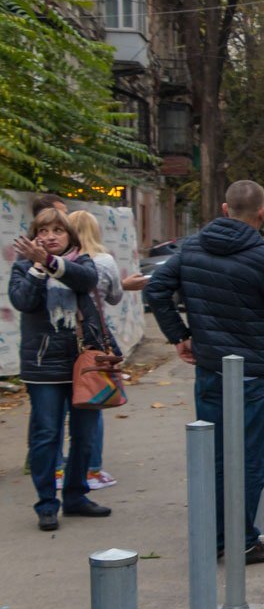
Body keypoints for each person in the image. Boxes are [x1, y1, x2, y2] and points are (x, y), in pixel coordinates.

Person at [145, 180, 264, 564]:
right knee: (248, 460)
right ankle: (241, 540)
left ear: (225, 209)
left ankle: (216, 535)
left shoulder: (191, 248)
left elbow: (155, 290)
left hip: (210, 371)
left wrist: (180, 336)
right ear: (262, 214)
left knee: (215, 456)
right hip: (253, 375)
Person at [9, 208, 112, 531]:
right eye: (43, 231)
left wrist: (51, 262)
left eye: (57, 230)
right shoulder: (23, 266)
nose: (50, 236)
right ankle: (46, 504)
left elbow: (86, 281)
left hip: (83, 363)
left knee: (84, 436)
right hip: (43, 367)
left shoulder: (82, 262)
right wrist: (38, 267)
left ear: (70, 235)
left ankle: (76, 496)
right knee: (46, 435)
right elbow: (23, 301)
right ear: (34, 235)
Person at [62, 209, 150, 490]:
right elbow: (113, 297)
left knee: (59, 407)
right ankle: (92, 468)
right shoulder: (103, 261)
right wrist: (123, 285)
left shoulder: (60, 262)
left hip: (61, 338)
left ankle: (59, 470)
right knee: (93, 399)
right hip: (92, 339)